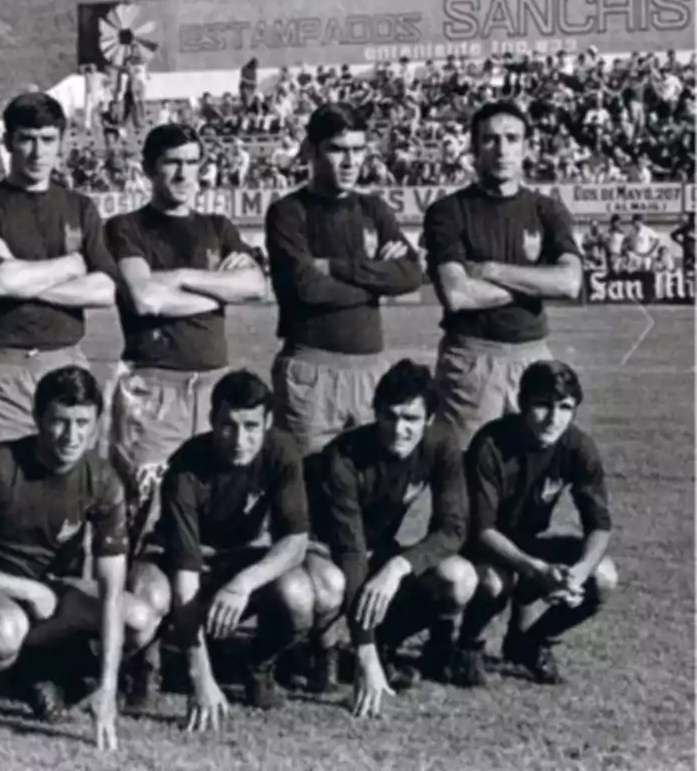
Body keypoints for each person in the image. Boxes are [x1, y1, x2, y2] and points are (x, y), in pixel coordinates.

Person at [104, 123, 267, 703]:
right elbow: (144, 298)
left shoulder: (218, 227)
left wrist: (182, 281)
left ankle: (191, 640)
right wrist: (215, 290)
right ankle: (138, 655)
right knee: (140, 515)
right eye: (171, 162)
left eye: (193, 162)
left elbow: (255, 286)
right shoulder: (126, 227)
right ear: (149, 168)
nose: (183, 173)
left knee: (207, 510)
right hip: (154, 388)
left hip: (214, 389)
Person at [0, 366, 157, 750]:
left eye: (82, 423)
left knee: (137, 619)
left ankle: (42, 672)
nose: (71, 436)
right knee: (7, 627)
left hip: (50, 595)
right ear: (38, 417)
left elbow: (109, 591)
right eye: (59, 421)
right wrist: (24, 588)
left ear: (96, 424)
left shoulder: (103, 480)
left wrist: (108, 686)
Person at [133, 370, 314, 725]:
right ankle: (145, 667)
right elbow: (184, 576)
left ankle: (256, 664)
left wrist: (243, 583)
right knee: (149, 595)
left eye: (251, 427)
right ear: (212, 420)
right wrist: (200, 677)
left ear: (267, 423)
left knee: (298, 594)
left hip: (238, 560)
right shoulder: (185, 469)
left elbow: (296, 541)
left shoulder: (282, 452)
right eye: (229, 425)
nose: (240, 439)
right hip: (179, 560)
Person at [303, 360, 475, 718]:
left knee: (459, 577)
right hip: (322, 547)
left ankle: (389, 643)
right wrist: (363, 652)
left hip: (377, 549)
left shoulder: (443, 445)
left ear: (428, 420)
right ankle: (320, 653)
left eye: (411, 419)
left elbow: (453, 528)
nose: (399, 429)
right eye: (390, 416)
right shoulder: (343, 458)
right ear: (376, 414)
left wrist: (398, 566)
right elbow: (349, 549)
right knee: (332, 585)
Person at [0, 92, 118, 459]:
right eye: (26, 138)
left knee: (70, 485)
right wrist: (72, 265)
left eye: (47, 140)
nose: (37, 151)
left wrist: (22, 277)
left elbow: (106, 290)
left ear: (60, 142)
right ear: (8, 140)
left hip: (67, 361)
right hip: (4, 370)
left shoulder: (79, 207)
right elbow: (1, 282)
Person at [265, 103, 425, 459]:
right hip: (311, 372)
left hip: (371, 371)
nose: (350, 161)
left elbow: (411, 275)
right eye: (337, 150)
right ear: (311, 150)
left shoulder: (374, 209)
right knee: (307, 489)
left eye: (357, 149)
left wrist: (334, 268)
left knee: (366, 488)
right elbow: (306, 287)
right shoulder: (288, 212)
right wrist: (376, 279)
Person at [423, 100, 583, 448]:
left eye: (512, 139)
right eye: (491, 139)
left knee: (530, 475)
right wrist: (538, 281)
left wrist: (492, 270)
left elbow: (570, 283)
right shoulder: (447, 212)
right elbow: (459, 295)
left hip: (535, 355)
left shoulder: (547, 210)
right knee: (466, 473)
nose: (502, 150)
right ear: (474, 147)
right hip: (472, 360)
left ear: (526, 147)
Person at [455, 361, 617, 687]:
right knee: (495, 583)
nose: (553, 418)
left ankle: (530, 642)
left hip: (529, 543)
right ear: (522, 402)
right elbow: (482, 528)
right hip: (483, 545)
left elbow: (599, 525)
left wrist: (578, 575)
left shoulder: (578, 446)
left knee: (604, 578)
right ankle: (467, 646)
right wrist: (537, 570)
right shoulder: (492, 443)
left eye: (565, 407)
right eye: (542, 405)